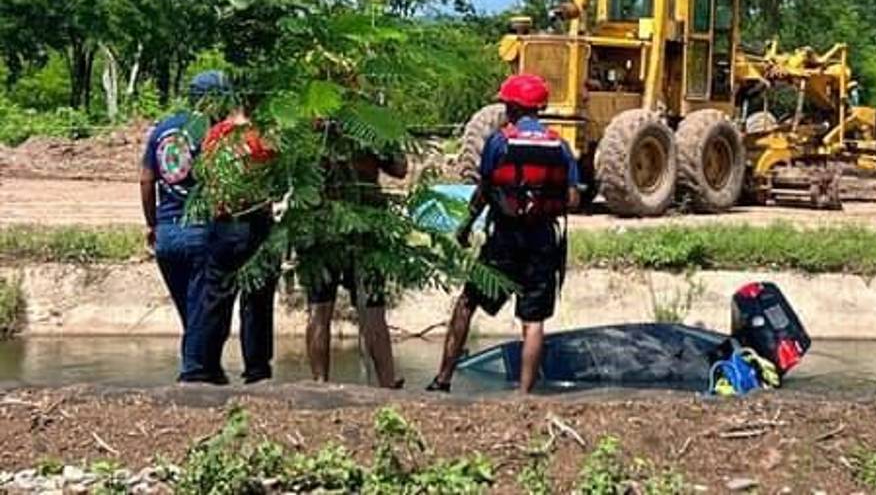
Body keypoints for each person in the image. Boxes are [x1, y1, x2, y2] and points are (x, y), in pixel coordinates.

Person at [428, 73, 580, 394]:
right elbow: (572, 199)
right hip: (543, 242)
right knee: (533, 321)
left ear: (511, 107)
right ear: (539, 108)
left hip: (505, 241)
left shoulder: (499, 142)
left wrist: (466, 226)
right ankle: (524, 395)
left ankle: (443, 380)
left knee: (467, 302)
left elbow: (484, 191)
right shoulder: (560, 145)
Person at [139, 71, 229, 381]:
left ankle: (211, 372)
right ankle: (192, 378)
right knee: (202, 313)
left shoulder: (161, 129)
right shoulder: (215, 133)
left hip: (167, 233)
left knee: (192, 315)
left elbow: (146, 179)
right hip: (201, 232)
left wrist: (152, 223)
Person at [180, 107, 279, 385]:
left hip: (222, 223)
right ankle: (257, 369)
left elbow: (204, 178)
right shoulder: (262, 135)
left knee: (216, 298)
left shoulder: (215, 135)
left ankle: (203, 366)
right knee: (257, 299)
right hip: (254, 221)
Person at [303, 147, 408, 388]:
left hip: (337, 225)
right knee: (365, 311)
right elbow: (400, 168)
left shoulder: (316, 125)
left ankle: (323, 383)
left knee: (325, 309)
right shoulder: (366, 130)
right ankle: (385, 382)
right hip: (341, 225)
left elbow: (400, 168)